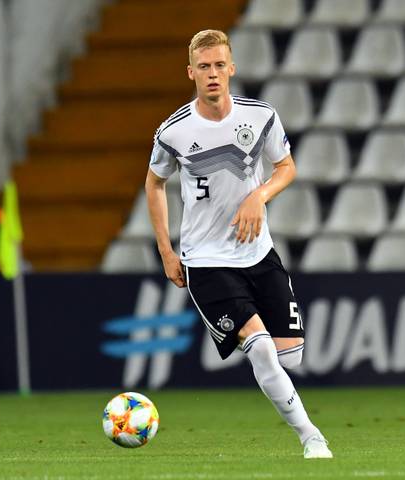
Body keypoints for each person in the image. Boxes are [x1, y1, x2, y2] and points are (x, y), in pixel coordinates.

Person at [145, 29, 332, 459]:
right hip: (206, 261)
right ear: (191, 73)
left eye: (219, 66)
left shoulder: (260, 116)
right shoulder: (174, 132)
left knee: (291, 358)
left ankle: (289, 404)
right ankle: (311, 437)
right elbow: (154, 185)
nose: (213, 74)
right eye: (204, 67)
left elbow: (285, 167)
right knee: (261, 348)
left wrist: (258, 195)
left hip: (258, 252)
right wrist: (166, 251)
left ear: (232, 68)